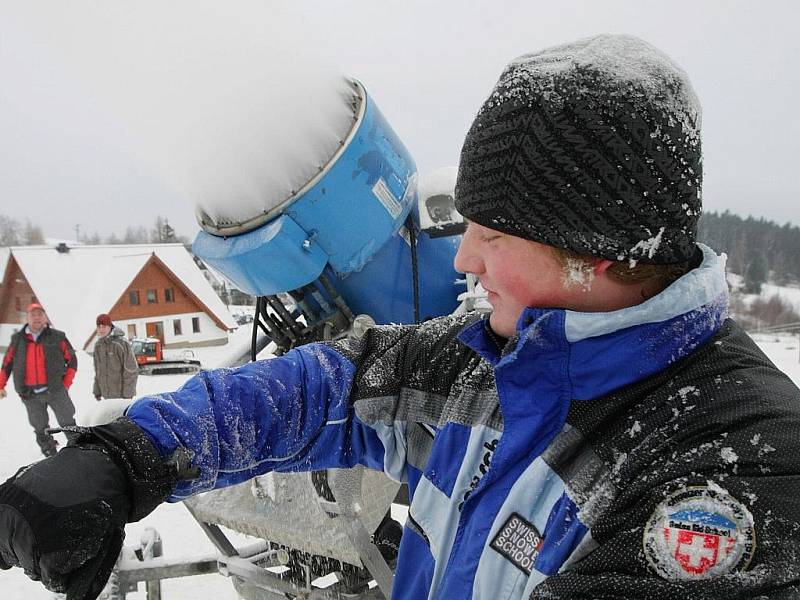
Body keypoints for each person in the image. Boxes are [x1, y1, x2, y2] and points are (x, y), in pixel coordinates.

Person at [1, 34, 799, 599]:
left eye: (493, 234)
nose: (464, 260)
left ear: (596, 249)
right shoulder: (483, 363)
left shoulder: (735, 475)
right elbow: (322, 388)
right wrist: (128, 455)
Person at [0, 302, 78, 457]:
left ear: (45, 318)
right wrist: (1, 385)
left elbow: (72, 361)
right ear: (27, 318)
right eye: (33, 315)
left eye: (40, 314)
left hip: (56, 391)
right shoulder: (17, 339)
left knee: (68, 422)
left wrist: (65, 384)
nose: (37, 318)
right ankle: (51, 454)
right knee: (40, 427)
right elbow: (7, 363)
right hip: (30, 395)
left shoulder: (57, 337)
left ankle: (78, 450)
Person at [92, 314, 138, 401]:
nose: (101, 329)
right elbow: (98, 371)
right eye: (99, 327)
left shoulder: (121, 344)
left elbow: (131, 371)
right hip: (106, 396)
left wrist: (127, 395)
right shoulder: (98, 346)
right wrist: (97, 391)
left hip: (121, 396)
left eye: (104, 326)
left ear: (110, 326)